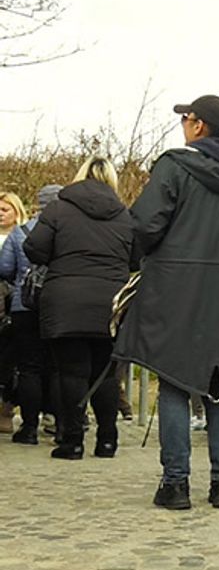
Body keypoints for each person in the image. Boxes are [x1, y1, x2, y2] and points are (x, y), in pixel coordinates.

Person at [114, 94, 219, 509]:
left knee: (176, 380)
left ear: (198, 126)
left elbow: (144, 225)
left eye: (187, 118)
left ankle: (176, 483)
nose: (183, 124)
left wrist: (143, 259)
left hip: (176, 284)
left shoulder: (175, 166)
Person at [23, 157, 134, 460]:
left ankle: (72, 441)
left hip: (65, 299)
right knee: (105, 373)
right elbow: (137, 257)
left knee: (71, 372)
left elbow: (33, 247)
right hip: (111, 301)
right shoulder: (124, 215)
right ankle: (108, 440)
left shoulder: (59, 208)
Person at [0, 188, 51, 440]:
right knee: (58, 366)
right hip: (57, 305)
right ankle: (60, 422)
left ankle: (29, 427)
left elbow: (5, 267)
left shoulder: (20, 232)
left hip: (25, 305)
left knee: (29, 367)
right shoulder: (68, 231)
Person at [0, 191, 30, 433]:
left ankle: (8, 408)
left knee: (13, 359)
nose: (0, 214)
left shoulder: (23, 235)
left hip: (13, 304)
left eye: (5, 209)